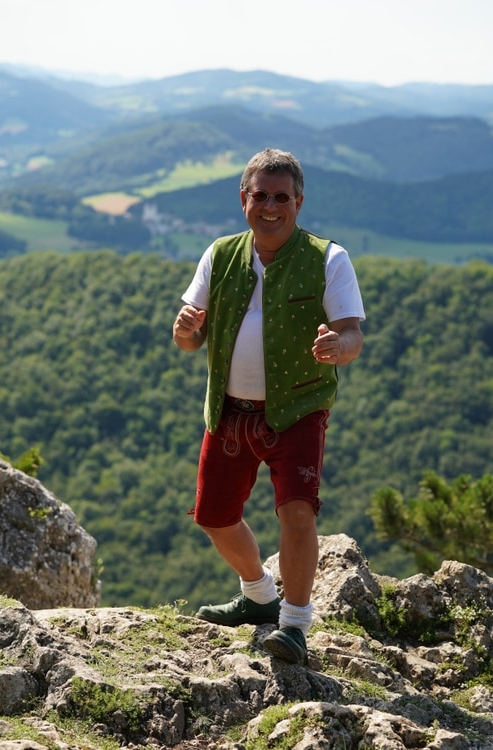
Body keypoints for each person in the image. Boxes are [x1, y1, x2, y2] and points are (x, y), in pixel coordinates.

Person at [173, 148, 365, 665]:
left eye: (282, 197)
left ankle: (295, 625)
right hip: (228, 411)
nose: (271, 207)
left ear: (299, 202)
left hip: (298, 409)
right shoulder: (220, 255)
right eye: (261, 196)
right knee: (214, 517)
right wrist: (184, 331)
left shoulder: (329, 259)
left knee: (297, 512)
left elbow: (352, 334)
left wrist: (338, 347)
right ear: (244, 199)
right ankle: (259, 595)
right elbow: (189, 337)